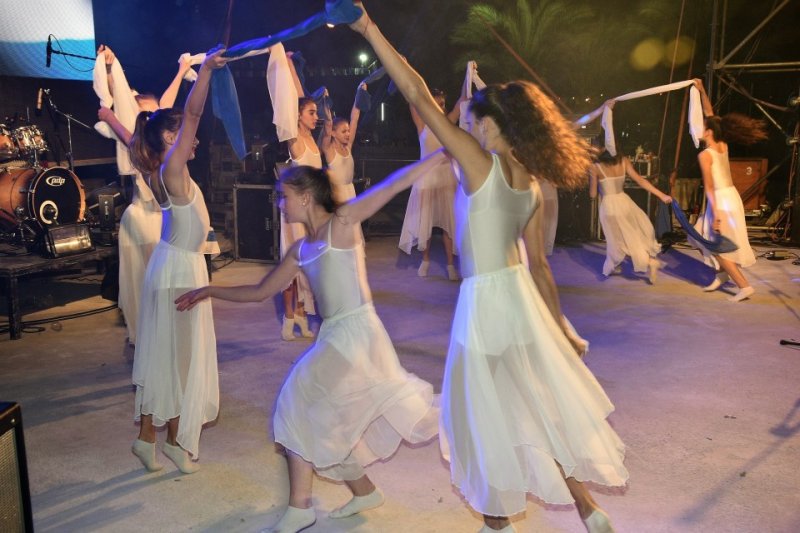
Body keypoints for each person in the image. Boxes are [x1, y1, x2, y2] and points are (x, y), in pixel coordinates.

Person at [349, 4, 627, 532]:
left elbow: (417, 96)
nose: (469, 128)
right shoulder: (531, 183)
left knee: (482, 415)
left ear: (494, 125)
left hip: (485, 303)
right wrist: (560, 328)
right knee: (533, 404)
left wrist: (368, 28)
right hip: (520, 300)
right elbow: (539, 267)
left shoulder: (481, 166)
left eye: (475, 121)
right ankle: (589, 510)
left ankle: (499, 524)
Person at [175, 159, 442, 533]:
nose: (280, 204)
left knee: (295, 402)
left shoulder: (342, 224)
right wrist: (209, 290)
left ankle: (300, 507)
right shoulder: (300, 250)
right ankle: (364, 492)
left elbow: (392, 186)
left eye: (283, 196)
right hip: (333, 333)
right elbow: (260, 291)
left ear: (304, 196)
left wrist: (440, 153)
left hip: (358, 333)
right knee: (327, 418)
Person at [127, 47, 228, 474]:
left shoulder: (166, 170)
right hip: (178, 271)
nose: (195, 139)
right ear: (171, 138)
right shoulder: (170, 170)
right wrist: (204, 71)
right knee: (179, 360)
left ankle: (153, 439)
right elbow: (193, 114)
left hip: (178, 267)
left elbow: (185, 122)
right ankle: (166, 441)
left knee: (169, 357)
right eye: (184, 134)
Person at [96, 45, 194, 345]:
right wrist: (111, 71)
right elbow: (126, 114)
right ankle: (146, 335)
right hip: (142, 220)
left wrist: (181, 70)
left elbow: (166, 103)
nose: (153, 117)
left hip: (156, 220)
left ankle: (157, 334)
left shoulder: (157, 140)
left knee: (159, 282)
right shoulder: (140, 140)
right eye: (147, 114)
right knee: (143, 281)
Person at [690, 79, 765, 302]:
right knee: (699, 235)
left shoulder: (705, 155)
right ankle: (722, 275)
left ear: (709, 132)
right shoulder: (722, 144)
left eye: (702, 126)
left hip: (721, 201)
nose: (698, 128)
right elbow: (711, 114)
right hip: (731, 196)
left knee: (717, 245)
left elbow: (710, 187)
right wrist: (702, 90)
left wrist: (716, 215)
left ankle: (744, 286)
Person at [399, 86, 464, 281]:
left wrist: (469, 75)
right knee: (425, 223)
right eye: (435, 104)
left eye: (442, 104)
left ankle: (450, 265)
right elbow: (412, 99)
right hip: (426, 179)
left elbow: (461, 102)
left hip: (446, 179)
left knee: (448, 224)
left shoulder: (448, 123)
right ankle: (425, 260)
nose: (439, 108)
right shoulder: (422, 124)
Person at [589, 140, 672, 283]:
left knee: (618, 241)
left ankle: (649, 262)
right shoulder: (624, 161)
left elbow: (592, 194)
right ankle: (616, 265)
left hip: (610, 207)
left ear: (602, 148)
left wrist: (593, 180)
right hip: (625, 202)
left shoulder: (595, 167)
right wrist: (662, 195)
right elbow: (641, 180)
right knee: (628, 236)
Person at [320, 83, 363, 204]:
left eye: (348, 131)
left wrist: (359, 94)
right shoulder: (329, 149)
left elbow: (354, 118)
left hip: (351, 193)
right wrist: (326, 102)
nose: (348, 134)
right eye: (344, 131)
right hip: (337, 197)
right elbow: (328, 124)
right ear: (333, 133)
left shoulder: (348, 147)